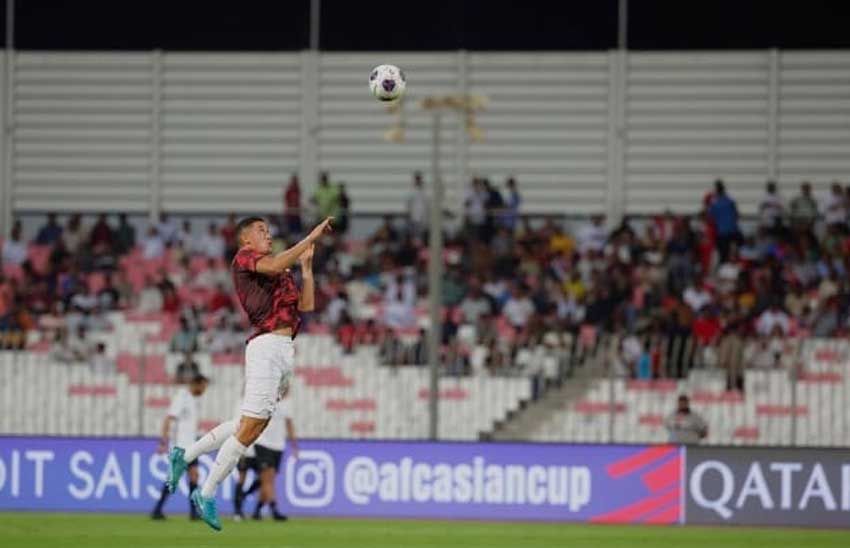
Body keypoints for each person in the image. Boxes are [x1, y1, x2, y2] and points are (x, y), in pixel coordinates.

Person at [165, 215, 332, 531]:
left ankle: (184, 455)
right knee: (251, 426)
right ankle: (207, 491)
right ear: (246, 240)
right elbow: (272, 265)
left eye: (269, 231)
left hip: (284, 351)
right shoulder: (245, 259)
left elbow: (307, 306)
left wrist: (307, 270)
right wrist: (309, 238)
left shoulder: (282, 271)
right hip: (266, 345)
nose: (267, 235)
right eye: (261, 231)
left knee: (251, 424)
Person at [151, 374, 209, 521]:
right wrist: (163, 441)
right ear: (196, 384)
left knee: (194, 476)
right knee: (173, 479)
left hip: (191, 446)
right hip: (180, 447)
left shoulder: (193, 400)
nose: (204, 390)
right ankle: (157, 510)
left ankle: (193, 513)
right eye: (203, 386)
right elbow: (168, 418)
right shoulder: (182, 397)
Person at [247, 390, 299, 521]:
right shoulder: (265, 397)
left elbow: (289, 424)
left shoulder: (287, 402)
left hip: (278, 445)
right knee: (267, 478)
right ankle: (274, 509)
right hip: (263, 443)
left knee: (269, 480)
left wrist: (294, 445)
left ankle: (257, 510)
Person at [406, 172, 429, 238]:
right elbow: (409, 203)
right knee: (415, 235)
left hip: (423, 217)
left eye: (419, 179)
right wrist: (409, 214)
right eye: (417, 179)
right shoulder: (412, 191)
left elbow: (426, 203)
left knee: (422, 234)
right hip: (414, 217)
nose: (418, 181)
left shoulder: (424, 190)